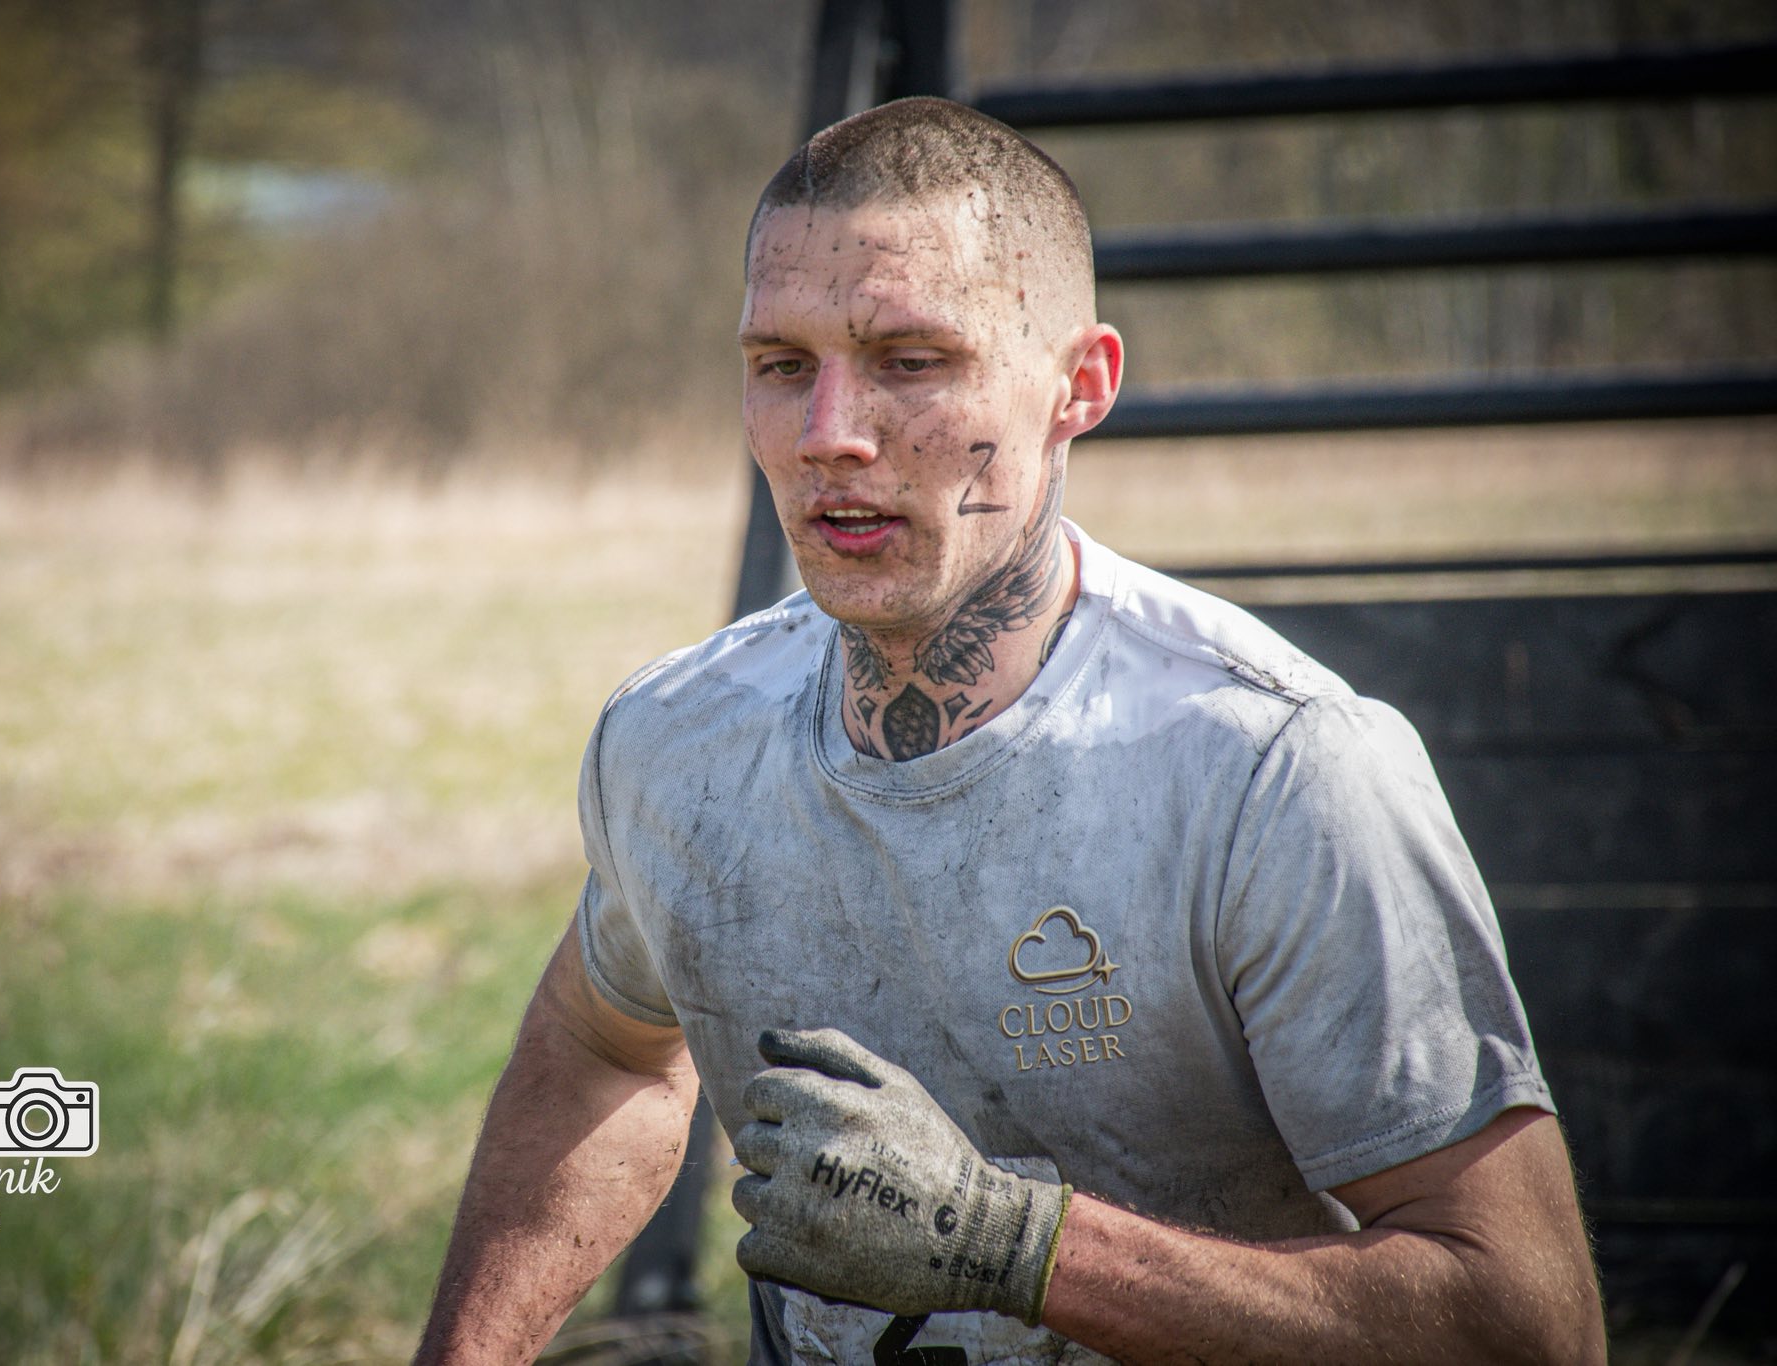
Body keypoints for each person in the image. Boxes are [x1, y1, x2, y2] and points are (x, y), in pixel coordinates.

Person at [412, 97, 1605, 1365]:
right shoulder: (678, 739)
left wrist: (1013, 1246)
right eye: (780, 365)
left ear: (1077, 386)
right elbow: (602, 1051)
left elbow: (1525, 1325)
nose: (829, 436)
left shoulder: (1271, 767)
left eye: (910, 361)